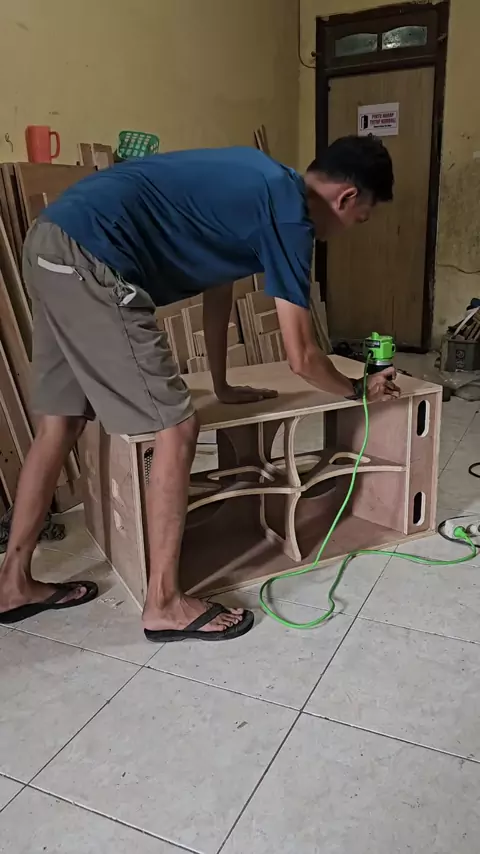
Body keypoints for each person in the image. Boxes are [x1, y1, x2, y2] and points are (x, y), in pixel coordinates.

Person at [0, 135, 398, 642]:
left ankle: (12, 584)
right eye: (360, 218)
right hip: (92, 257)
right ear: (346, 197)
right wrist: (357, 390)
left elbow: (218, 287)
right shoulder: (290, 215)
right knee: (177, 428)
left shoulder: (257, 181)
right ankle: (164, 604)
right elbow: (302, 358)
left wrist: (221, 383)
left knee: (61, 420)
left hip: (50, 242)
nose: (348, 229)